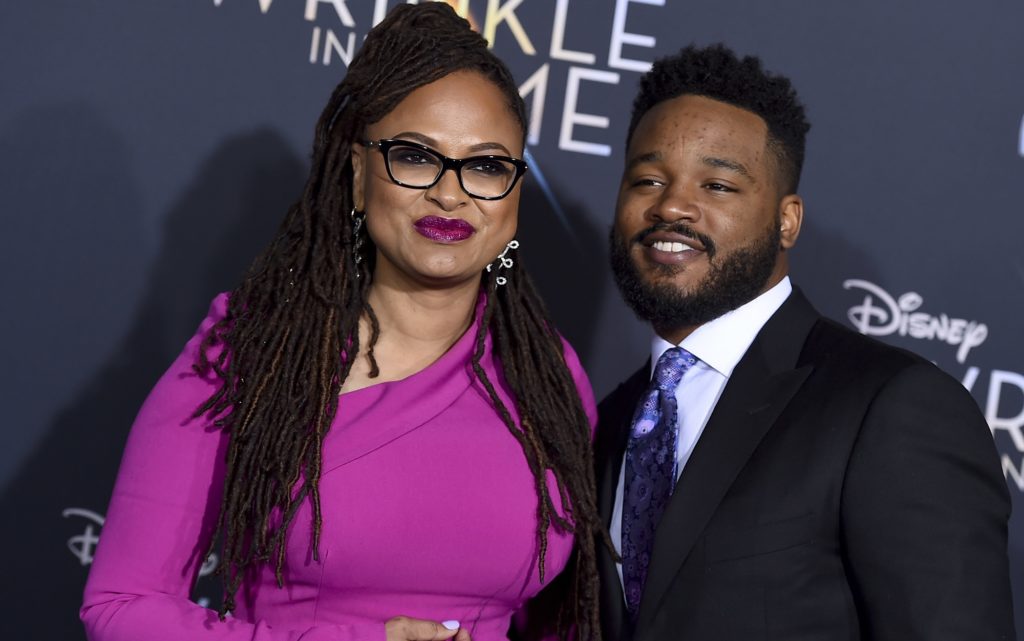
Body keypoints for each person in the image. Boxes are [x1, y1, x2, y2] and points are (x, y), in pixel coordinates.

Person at [80, 5, 604, 641]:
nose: (451, 192)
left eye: (487, 165)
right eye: (415, 156)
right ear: (358, 177)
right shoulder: (253, 352)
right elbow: (121, 604)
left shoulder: (549, 376)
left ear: (515, 195)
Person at [595, 44, 1016, 640]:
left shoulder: (890, 406)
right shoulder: (610, 421)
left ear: (787, 220)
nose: (672, 206)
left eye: (717, 185)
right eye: (647, 179)